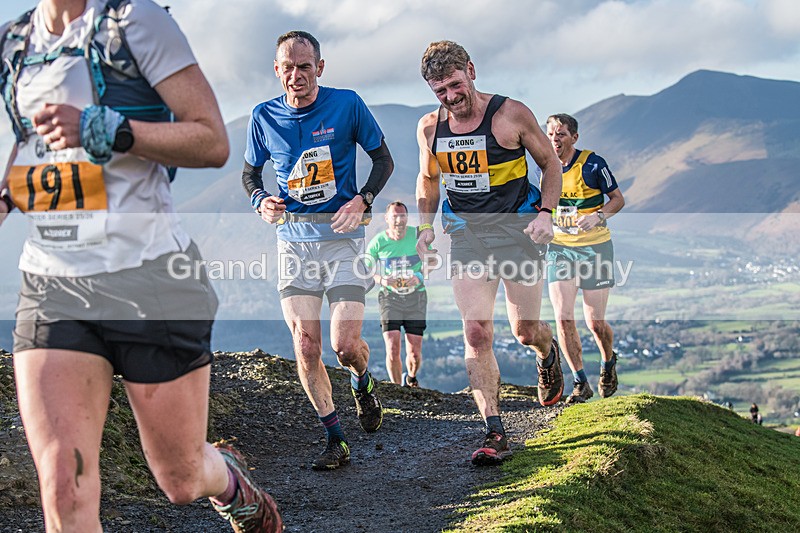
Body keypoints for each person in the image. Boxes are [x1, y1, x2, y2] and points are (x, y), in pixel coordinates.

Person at [0, 1, 281, 532]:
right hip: (52, 283)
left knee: (180, 478)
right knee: (63, 484)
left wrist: (108, 129)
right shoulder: (16, 42)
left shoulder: (134, 22)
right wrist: (10, 189)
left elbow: (212, 141)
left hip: (148, 279)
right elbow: (31, 139)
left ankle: (230, 480)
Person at [242, 31, 394, 471]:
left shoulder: (346, 104)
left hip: (343, 240)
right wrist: (260, 200)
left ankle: (362, 381)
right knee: (306, 345)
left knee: (345, 345)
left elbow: (383, 160)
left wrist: (363, 199)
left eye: (304, 66)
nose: (296, 75)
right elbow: (251, 173)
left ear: (319, 68)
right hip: (293, 243)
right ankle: (335, 439)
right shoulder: (263, 116)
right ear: (277, 71)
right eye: (287, 67)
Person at [415, 40, 564, 466]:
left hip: (518, 233)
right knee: (477, 333)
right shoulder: (430, 127)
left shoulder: (510, 115)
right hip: (466, 236)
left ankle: (547, 353)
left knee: (525, 330)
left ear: (472, 71)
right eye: (439, 91)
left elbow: (550, 164)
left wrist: (546, 214)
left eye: (455, 85)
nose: (450, 97)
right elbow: (427, 180)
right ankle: (494, 431)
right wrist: (424, 228)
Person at [545, 113, 625, 404]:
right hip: (560, 249)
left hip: (595, 248)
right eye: (551, 133)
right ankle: (580, 382)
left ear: (574, 138)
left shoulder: (593, 164)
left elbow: (618, 198)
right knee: (564, 317)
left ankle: (607, 362)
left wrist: (598, 216)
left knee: (595, 322)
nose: (555, 139)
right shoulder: (542, 166)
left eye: (561, 134)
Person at [366, 201, 427, 387]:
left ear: (407, 218)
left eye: (402, 216)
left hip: (416, 296)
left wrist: (418, 276)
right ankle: (396, 388)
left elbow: (432, 262)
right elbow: (365, 269)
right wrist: (382, 279)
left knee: (414, 352)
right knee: (392, 347)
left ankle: (411, 377)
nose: (399, 220)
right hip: (390, 297)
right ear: (386, 218)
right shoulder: (378, 241)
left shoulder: (417, 236)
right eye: (394, 216)